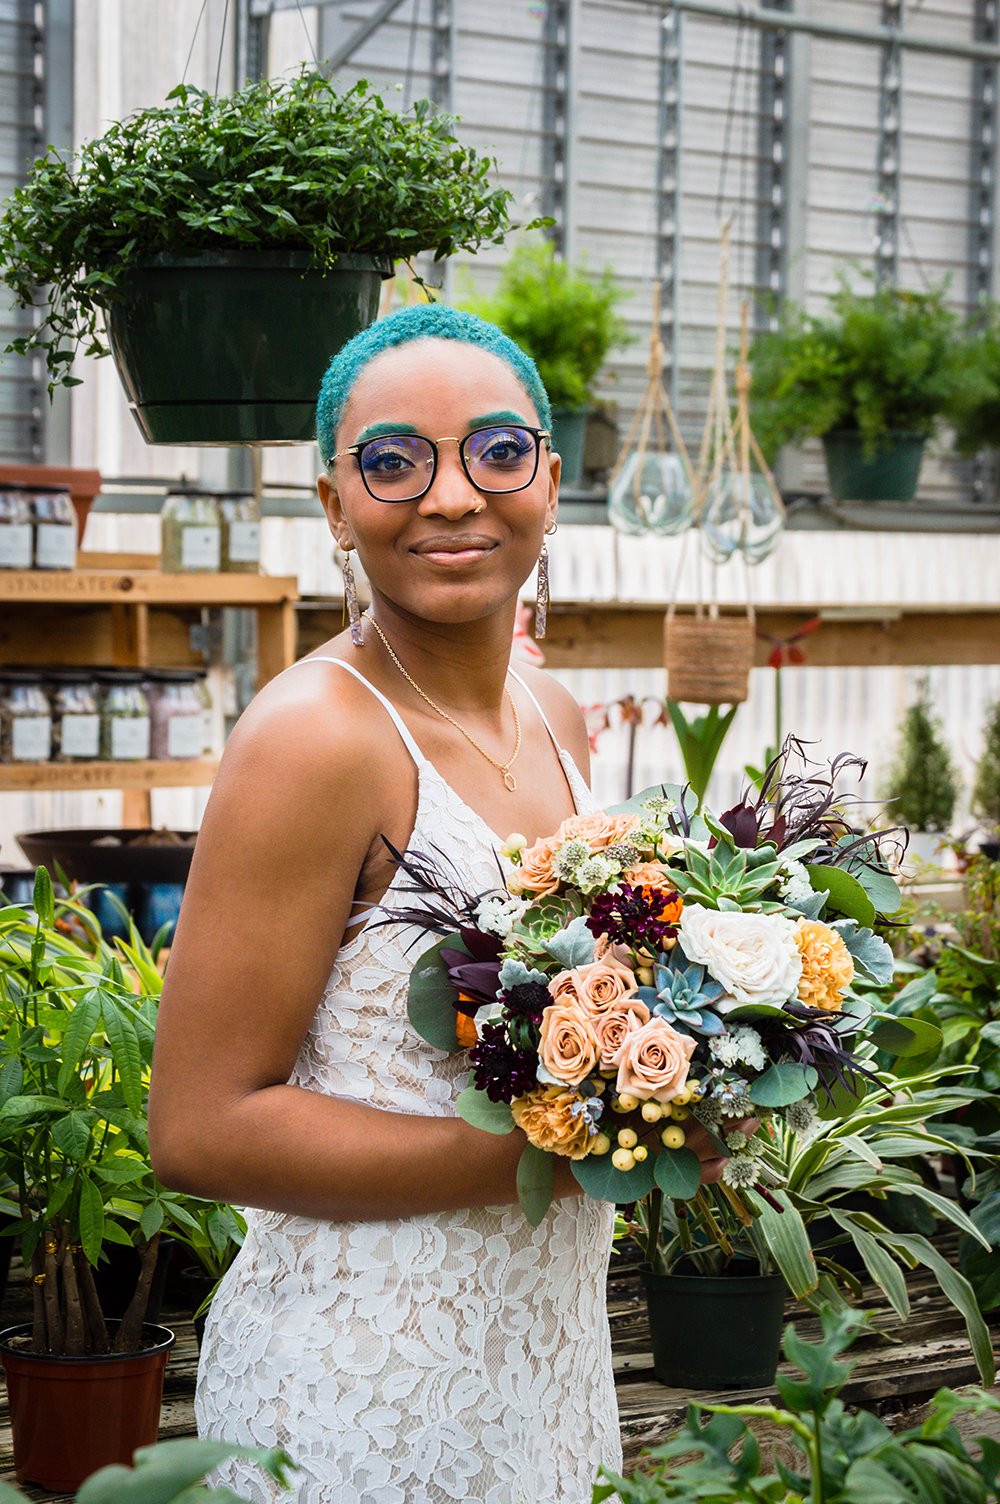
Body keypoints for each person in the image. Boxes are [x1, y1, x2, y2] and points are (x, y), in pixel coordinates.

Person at [150, 305, 739, 1504]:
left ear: (550, 479)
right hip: (362, 1386)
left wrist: (685, 1074)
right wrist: (571, 1154)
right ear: (332, 504)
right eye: (393, 460)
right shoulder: (313, 740)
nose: (454, 495)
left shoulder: (559, 718)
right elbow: (201, 1128)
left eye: (496, 450)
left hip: (540, 1366)